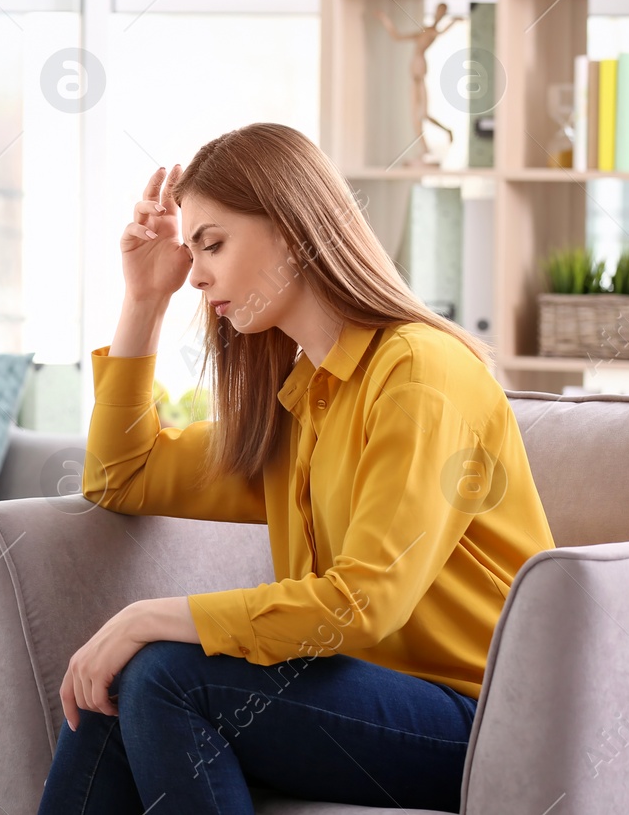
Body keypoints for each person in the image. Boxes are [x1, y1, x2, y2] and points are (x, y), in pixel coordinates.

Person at [40, 123, 555, 814]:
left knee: (163, 670)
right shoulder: (301, 402)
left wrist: (147, 616)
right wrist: (144, 301)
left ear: (291, 229)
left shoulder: (420, 371)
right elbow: (122, 475)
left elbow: (364, 600)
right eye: (191, 251)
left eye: (213, 244)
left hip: (488, 720)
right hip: (365, 701)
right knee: (119, 684)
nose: (196, 274)